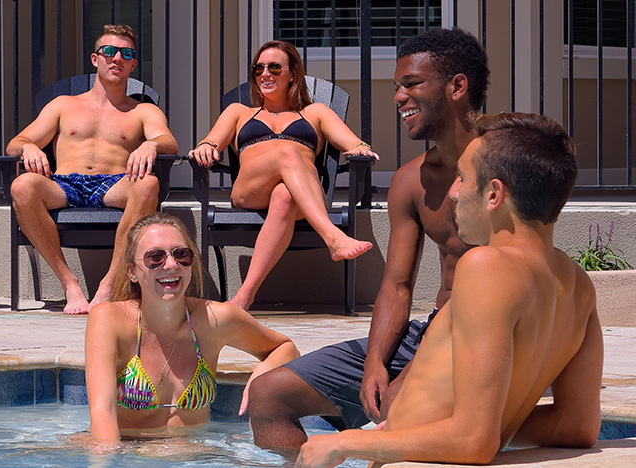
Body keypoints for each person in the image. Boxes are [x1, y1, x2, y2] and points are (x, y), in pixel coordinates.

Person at [296, 113, 602, 467]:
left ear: (493, 194)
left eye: (463, 177)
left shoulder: (486, 266)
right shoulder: (578, 285)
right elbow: (576, 426)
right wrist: (407, 437)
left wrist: (346, 442)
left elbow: (473, 441)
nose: (454, 192)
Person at [246, 28, 488, 450]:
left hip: (483, 336)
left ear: (457, 86)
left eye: (412, 84)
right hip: (432, 331)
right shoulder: (411, 181)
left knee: (398, 410)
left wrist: (411, 375)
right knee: (268, 394)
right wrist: (376, 362)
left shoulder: (505, 167)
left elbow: (498, 290)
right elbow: (397, 286)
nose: (398, 97)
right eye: (397, 86)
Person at [187, 40, 377, 311]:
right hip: (251, 190)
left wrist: (361, 149)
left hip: (300, 196)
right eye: (259, 68)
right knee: (288, 153)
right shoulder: (239, 112)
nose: (265, 74)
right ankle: (333, 237)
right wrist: (206, 147)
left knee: (285, 195)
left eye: (275, 68)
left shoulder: (315, 113)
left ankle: (244, 297)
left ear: (292, 74)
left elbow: (355, 143)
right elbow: (211, 141)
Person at [5, 25, 179, 314]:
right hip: (64, 184)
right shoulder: (63, 105)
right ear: (95, 59)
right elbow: (15, 143)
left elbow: (168, 141)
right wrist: (28, 147)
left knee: (148, 184)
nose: (117, 58)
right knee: (22, 186)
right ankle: (69, 283)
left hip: (115, 184)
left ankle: (109, 284)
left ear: (133, 64)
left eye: (126, 54)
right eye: (109, 51)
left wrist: (152, 145)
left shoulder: (143, 111)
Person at [83, 213, 298, 446]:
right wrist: (111, 459)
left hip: (194, 455)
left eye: (181, 255)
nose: (171, 265)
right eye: (155, 257)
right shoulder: (109, 320)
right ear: (132, 271)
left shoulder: (214, 319)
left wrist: (262, 373)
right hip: (126, 450)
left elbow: (285, 348)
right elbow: (102, 411)